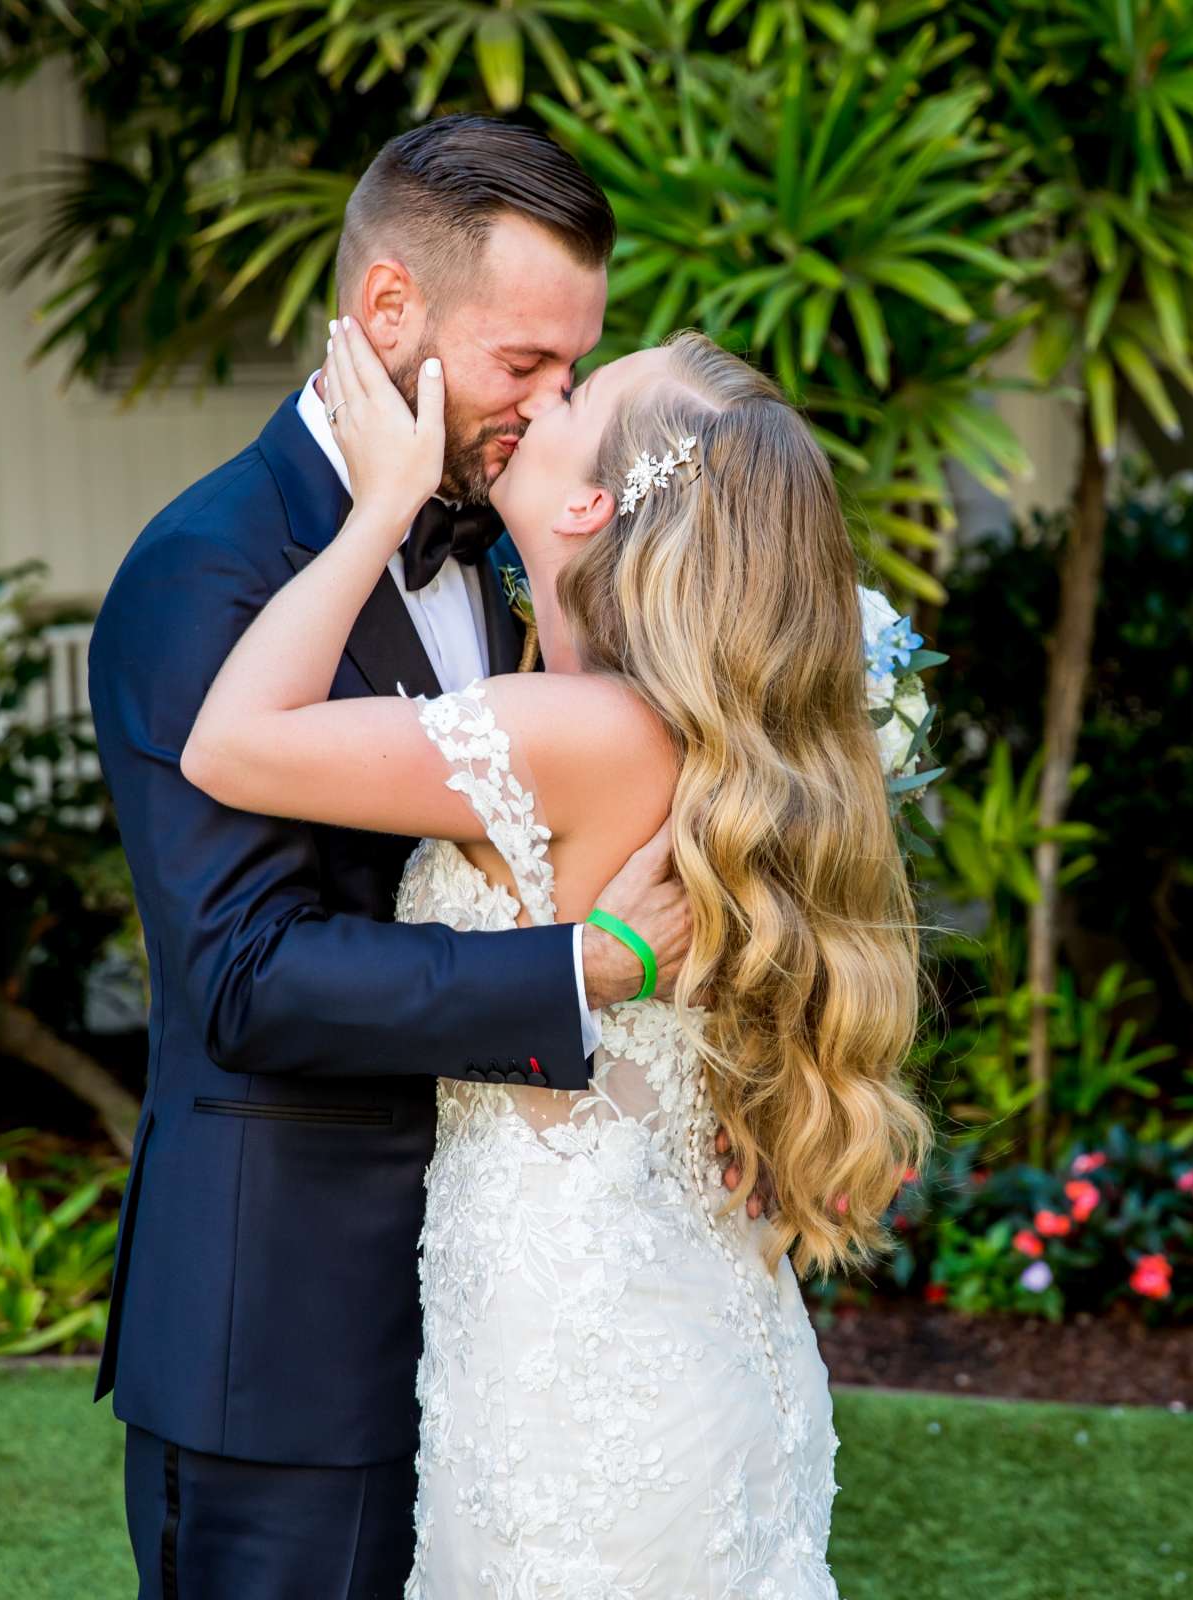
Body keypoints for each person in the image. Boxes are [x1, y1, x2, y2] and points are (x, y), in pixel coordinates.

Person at [89, 114, 755, 1596]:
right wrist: (580, 970)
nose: (550, 403)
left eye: (575, 368)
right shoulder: (207, 571)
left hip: (531, 1321)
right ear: (390, 311)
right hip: (297, 1337)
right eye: (525, 365)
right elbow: (244, 977)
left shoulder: (540, 554)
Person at [182, 307, 931, 1592]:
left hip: (580, 1369)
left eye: (577, 397)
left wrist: (379, 510)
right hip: (699, 1323)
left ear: (589, 509)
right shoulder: (724, 742)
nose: (547, 396)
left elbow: (229, 746)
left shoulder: (566, 732)